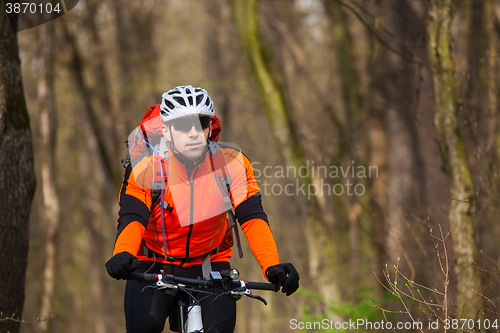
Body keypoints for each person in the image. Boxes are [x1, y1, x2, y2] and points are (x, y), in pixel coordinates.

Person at [105, 85, 299, 333]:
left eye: (202, 124)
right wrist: (123, 252)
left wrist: (272, 265)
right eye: (184, 126)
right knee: (144, 326)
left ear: (210, 127)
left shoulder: (232, 164)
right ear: (166, 130)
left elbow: (252, 218)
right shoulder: (147, 167)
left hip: (210, 261)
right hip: (152, 261)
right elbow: (133, 217)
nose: (194, 133)